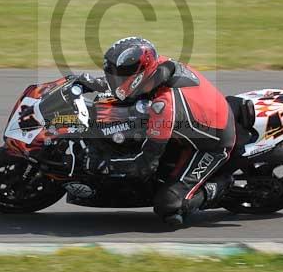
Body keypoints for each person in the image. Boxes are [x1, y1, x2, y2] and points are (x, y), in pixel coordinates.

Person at [75, 37, 235, 226]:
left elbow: (146, 163)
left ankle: (223, 185)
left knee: (168, 204)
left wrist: (107, 164)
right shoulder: (158, 67)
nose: (113, 81)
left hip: (214, 143)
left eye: (117, 78)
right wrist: (92, 84)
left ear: (138, 77)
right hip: (199, 118)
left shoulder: (163, 107)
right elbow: (125, 86)